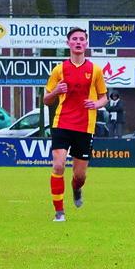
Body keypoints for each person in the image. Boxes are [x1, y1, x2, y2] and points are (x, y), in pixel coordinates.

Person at [44, 27, 108, 222]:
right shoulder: (59, 69)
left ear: (86, 44)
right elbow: (47, 99)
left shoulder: (95, 70)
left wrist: (96, 104)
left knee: (80, 175)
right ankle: (59, 212)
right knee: (58, 165)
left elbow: (104, 97)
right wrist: (56, 91)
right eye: (75, 39)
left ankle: (76, 188)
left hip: (84, 127)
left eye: (82, 39)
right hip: (62, 123)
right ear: (68, 43)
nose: (79, 42)